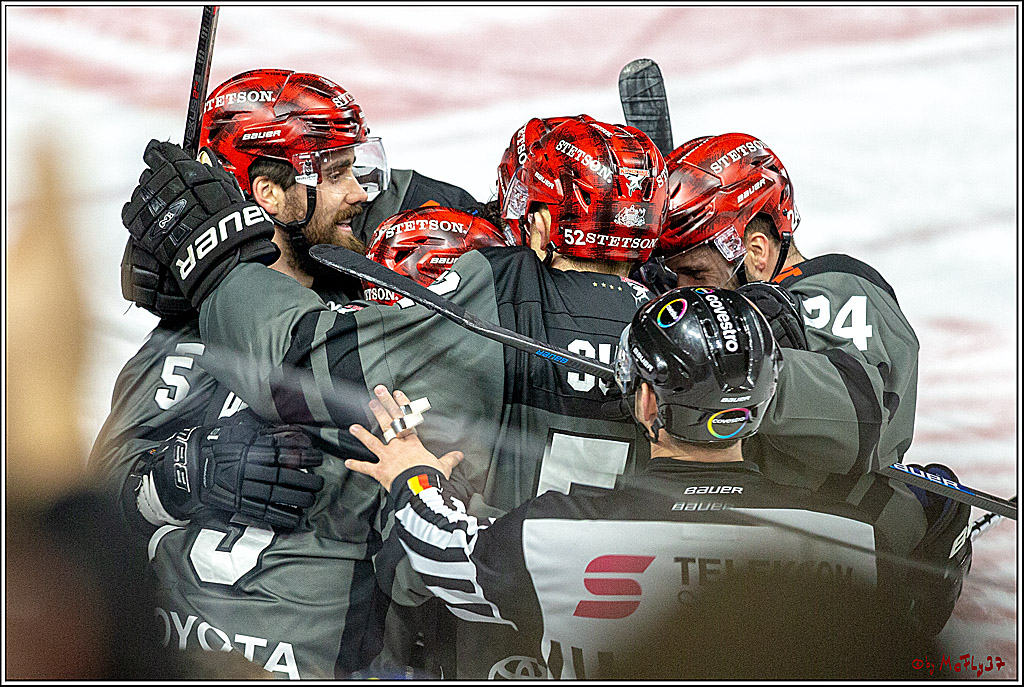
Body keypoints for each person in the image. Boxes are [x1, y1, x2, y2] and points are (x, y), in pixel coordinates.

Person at [120, 114, 669, 676]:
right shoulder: (685, 333)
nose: (360, 193)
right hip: (635, 631)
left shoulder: (488, 299)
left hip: (477, 639)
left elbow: (298, 360)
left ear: (540, 224)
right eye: (338, 173)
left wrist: (210, 254)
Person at [342, 287, 972, 679]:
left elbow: (443, 552)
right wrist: (928, 494)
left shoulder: (554, 534)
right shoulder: (852, 536)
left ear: (645, 404)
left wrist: (413, 474)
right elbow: (937, 524)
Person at [90, 69, 478, 678]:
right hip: (169, 659)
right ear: (269, 193)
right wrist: (178, 479)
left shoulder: (366, 323)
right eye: (335, 174)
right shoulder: (185, 333)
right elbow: (97, 503)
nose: (361, 193)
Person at [636, 133, 919, 493]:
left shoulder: (842, 288)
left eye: (696, 274)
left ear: (755, 252)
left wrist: (729, 364)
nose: (683, 291)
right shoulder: (707, 295)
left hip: (820, 530)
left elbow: (864, 426)